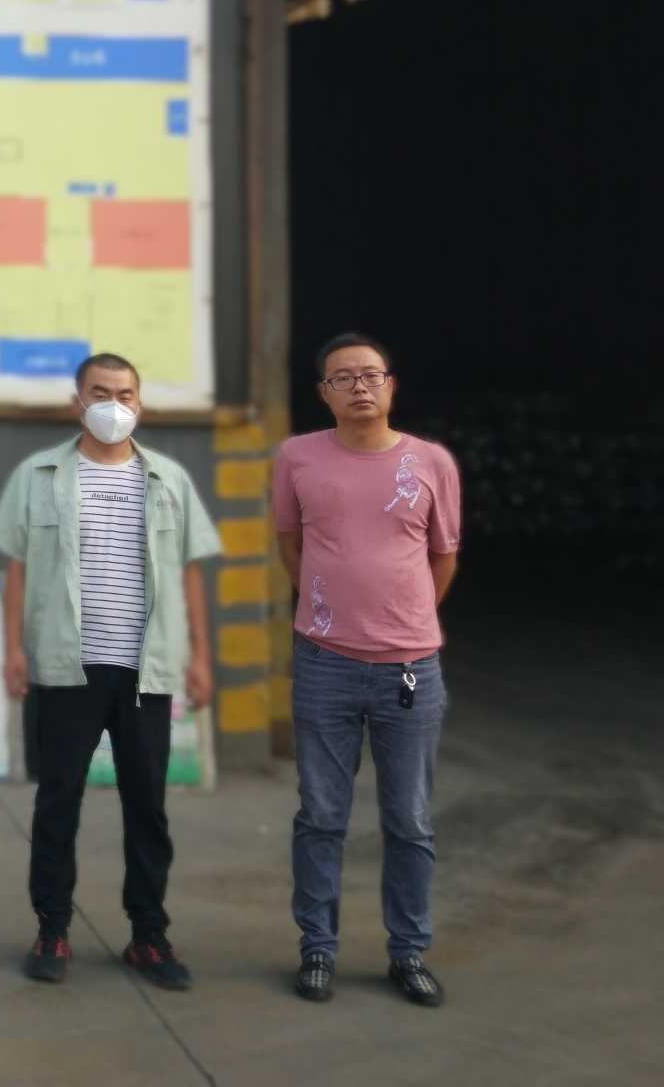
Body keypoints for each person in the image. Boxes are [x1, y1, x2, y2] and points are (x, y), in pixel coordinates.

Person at [0, 352, 222, 990]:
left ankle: (149, 936)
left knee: (148, 807)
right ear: (77, 402)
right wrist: (13, 651)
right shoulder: (38, 476)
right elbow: (16, 569)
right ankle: (52, 929)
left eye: (125, 394)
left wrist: (201, 657)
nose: (113, 405)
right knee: (57, 800)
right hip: (68, 668)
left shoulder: (168, 479)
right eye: (99, 393)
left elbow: (189, 573)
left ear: (140, 404)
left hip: (145, 671)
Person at [273, 333, 462, 1009]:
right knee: (322, 815)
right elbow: (290, 544)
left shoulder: (431, 462)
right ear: (323, 393)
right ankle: (317, 949)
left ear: (391, 385)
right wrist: (328, 610)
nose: (359, 386)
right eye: (342, 377)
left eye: (370, 375)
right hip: (324, 664)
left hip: (409, 669)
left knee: (409, 819)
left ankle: (408, 952)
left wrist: (403, 619)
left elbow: (442, 555)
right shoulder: (297, 458)